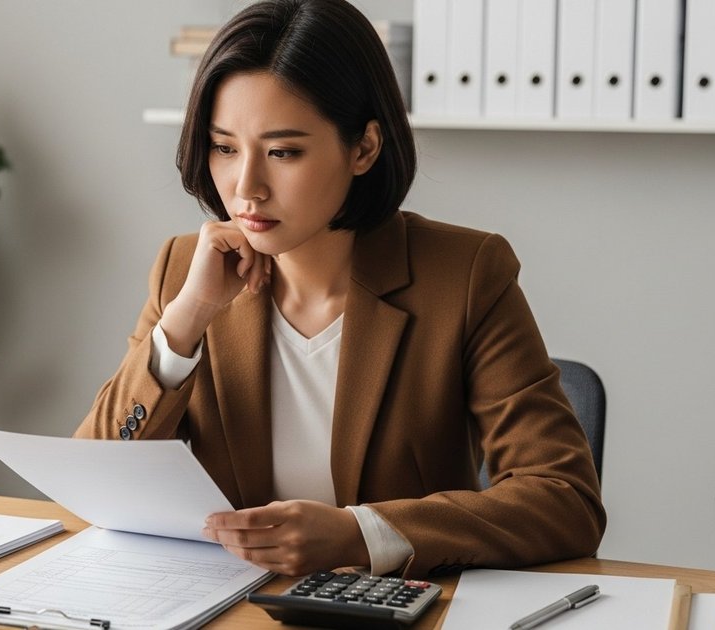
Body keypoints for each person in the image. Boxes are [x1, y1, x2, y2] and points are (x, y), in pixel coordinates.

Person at [75, 0, 605, 579]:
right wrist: (187, 318)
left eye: (283, 152)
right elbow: (92, 482)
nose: (245, 187)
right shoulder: (186, 267)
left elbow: (565, 499)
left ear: (363, 148)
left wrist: (360, 534)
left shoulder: (467, 273)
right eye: (225, 147)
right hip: (230, 609)